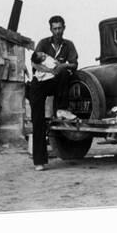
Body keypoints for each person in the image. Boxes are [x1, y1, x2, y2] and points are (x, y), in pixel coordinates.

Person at [29, 15, 78, 171]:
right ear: (51, 29)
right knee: (38, 120)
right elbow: (34, 63)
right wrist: (50, 69)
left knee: (65, 72)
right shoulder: (43, 43)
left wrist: (62, 66)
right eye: (54, 28)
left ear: (64, 28)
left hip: (56, 83)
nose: (57, 31)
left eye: (60, 28)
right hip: (39, 84)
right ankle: (39, 161)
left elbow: (74, 64)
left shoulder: (69, 45)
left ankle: (61, 108)